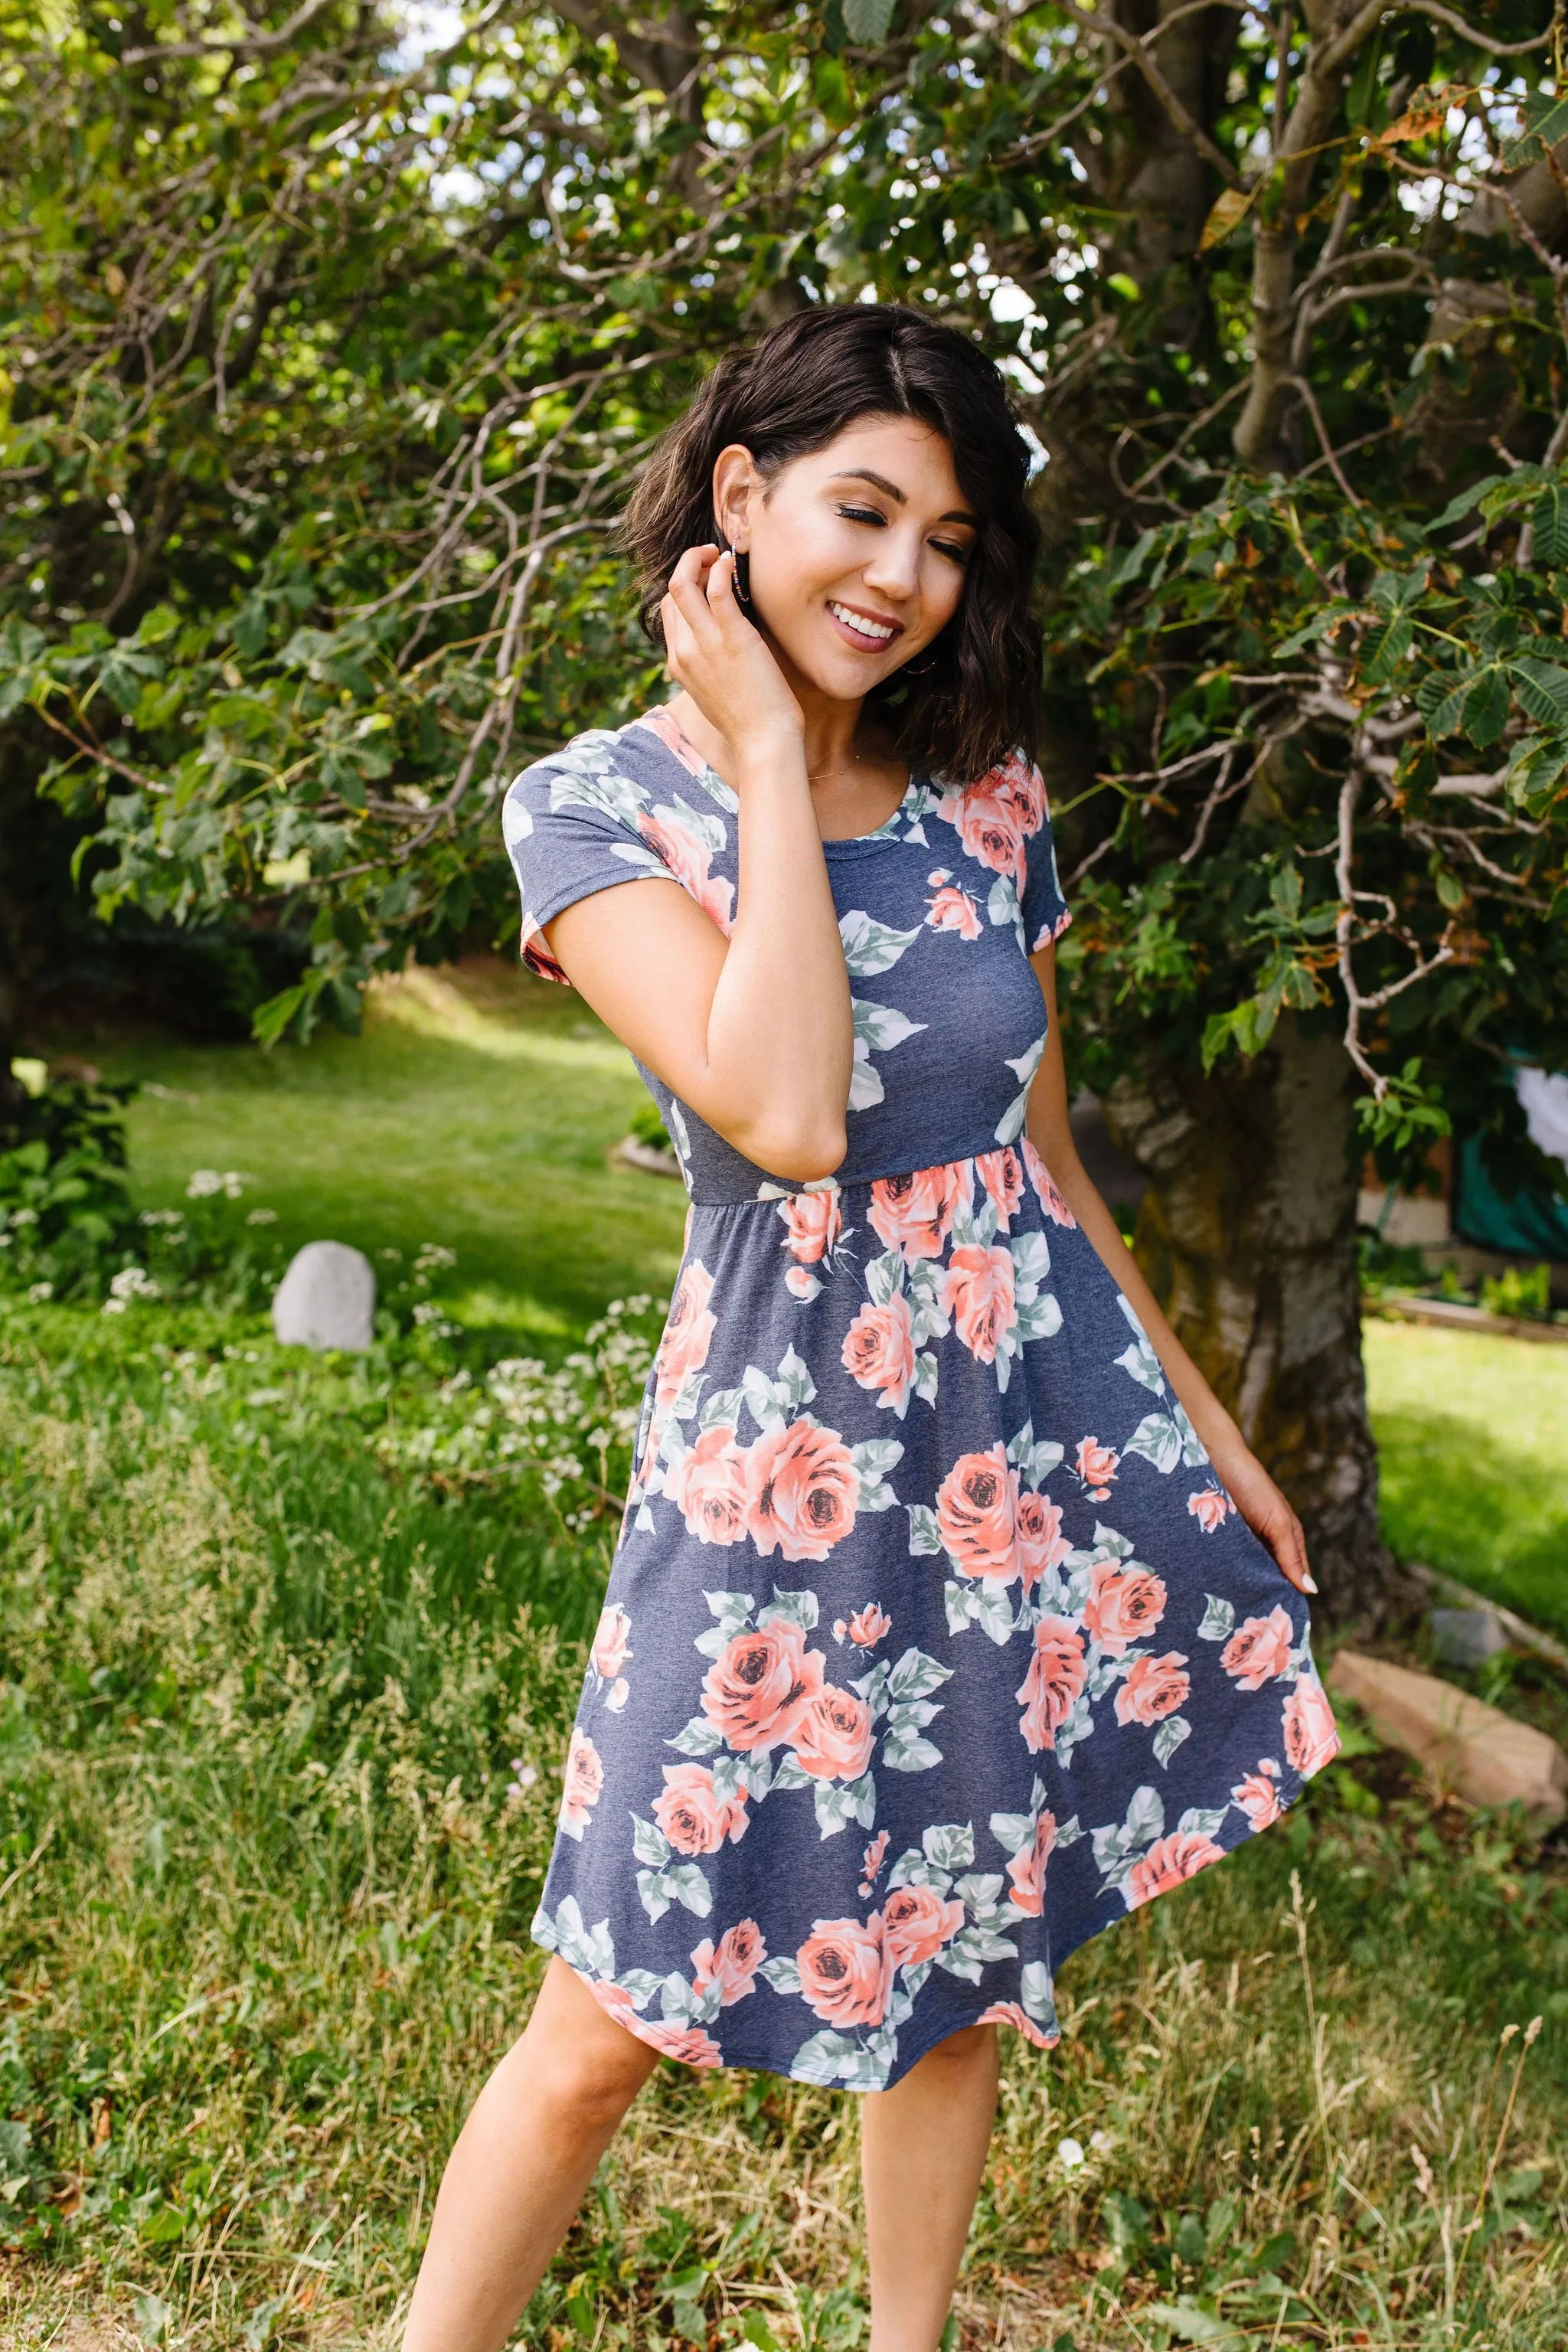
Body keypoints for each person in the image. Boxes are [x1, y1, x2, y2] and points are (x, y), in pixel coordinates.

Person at [403, 303, 1338, 2352]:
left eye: (947, 535)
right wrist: (758, 754)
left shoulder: (989, 798)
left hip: (1011, 1461)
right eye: (859, 510)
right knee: (606, 2016)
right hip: (777, 1482)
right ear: (738, 502)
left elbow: (1054, 1167)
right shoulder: (595, 812)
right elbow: (785, 1111)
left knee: (961, 1968)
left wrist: (1219, 1443)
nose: (902, 575)